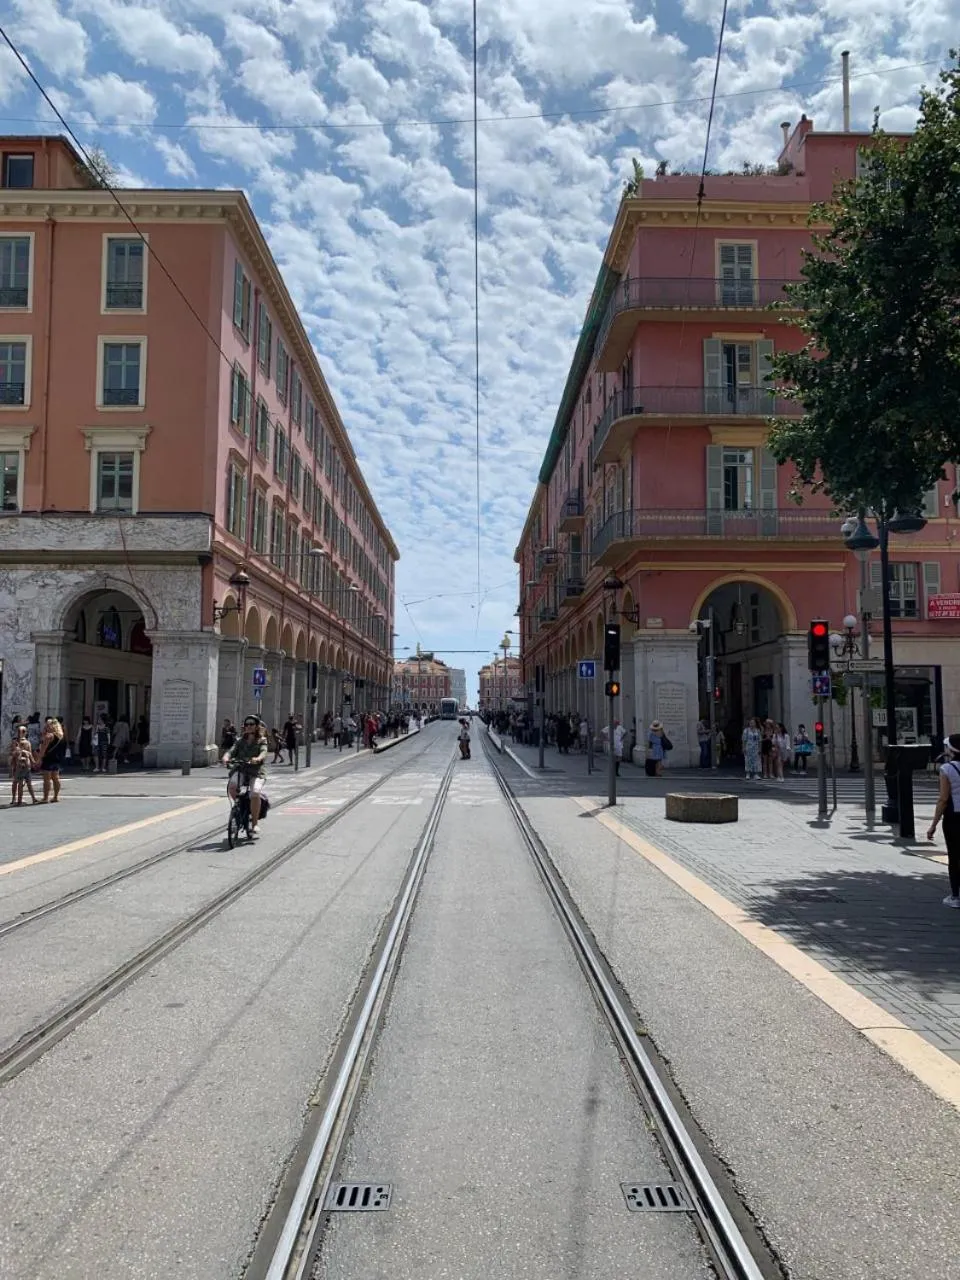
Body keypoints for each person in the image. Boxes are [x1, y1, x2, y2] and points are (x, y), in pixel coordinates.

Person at [927, 734, 960, 908]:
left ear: (951, 750)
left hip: (954, 817)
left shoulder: (947, 769)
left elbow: (943, 799)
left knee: (954, 856)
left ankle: (956, 896)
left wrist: (933, 824)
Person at [222, 716, 269, 838]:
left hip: (256, 771)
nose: (248, 726)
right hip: (241, 768)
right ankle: (238, 807)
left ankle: (254, 823)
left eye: (251, 724)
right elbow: (231, 751)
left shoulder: (262, 740)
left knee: (255, 792)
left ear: (257, 726)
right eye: (246, 724)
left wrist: (258, 758)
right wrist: (226, 757)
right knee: (232, 786)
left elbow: (264, 752)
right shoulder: (240, 741)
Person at [9, 724, 38, 806]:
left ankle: (17, 799)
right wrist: (33, 762)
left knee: (18, 782)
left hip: (18, 765)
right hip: (25, 765)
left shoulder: (15, 742)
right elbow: (30, 754)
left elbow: (12, 754)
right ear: (25, 732)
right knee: (27, 783)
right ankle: (32, 798)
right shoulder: (27, 742)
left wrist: (11, 765)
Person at [39, 716, 66, 802]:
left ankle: (45, 798)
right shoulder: (60, 736)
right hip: (57, 758)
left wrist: (39, 759)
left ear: (51, 726)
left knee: (47, 779)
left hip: (48, 758)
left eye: (47, 725)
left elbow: (43, 749)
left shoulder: (49, 736)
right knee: (56, 778)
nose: (45, 727)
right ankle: (56, 796)